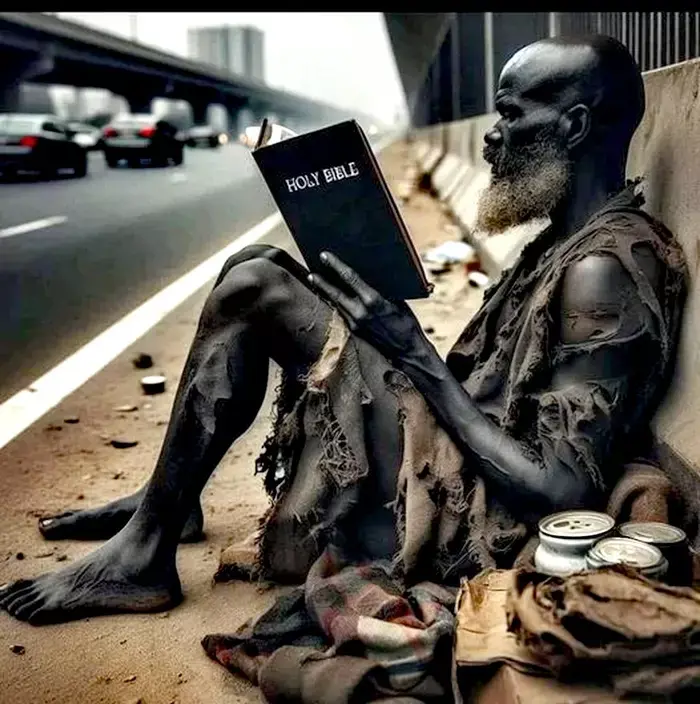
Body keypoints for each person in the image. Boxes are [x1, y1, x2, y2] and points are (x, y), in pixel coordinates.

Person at [0, 34, 687, 625]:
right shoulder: (560, 243)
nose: (492, 134)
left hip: (472, 514)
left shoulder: (604, 269)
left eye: (511, 113)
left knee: (255, 285)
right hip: (457, 457)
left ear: (571, 126)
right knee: (257, 263)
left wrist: (410, 350)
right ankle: (166, 509)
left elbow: (561, 492)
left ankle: (144, 554)